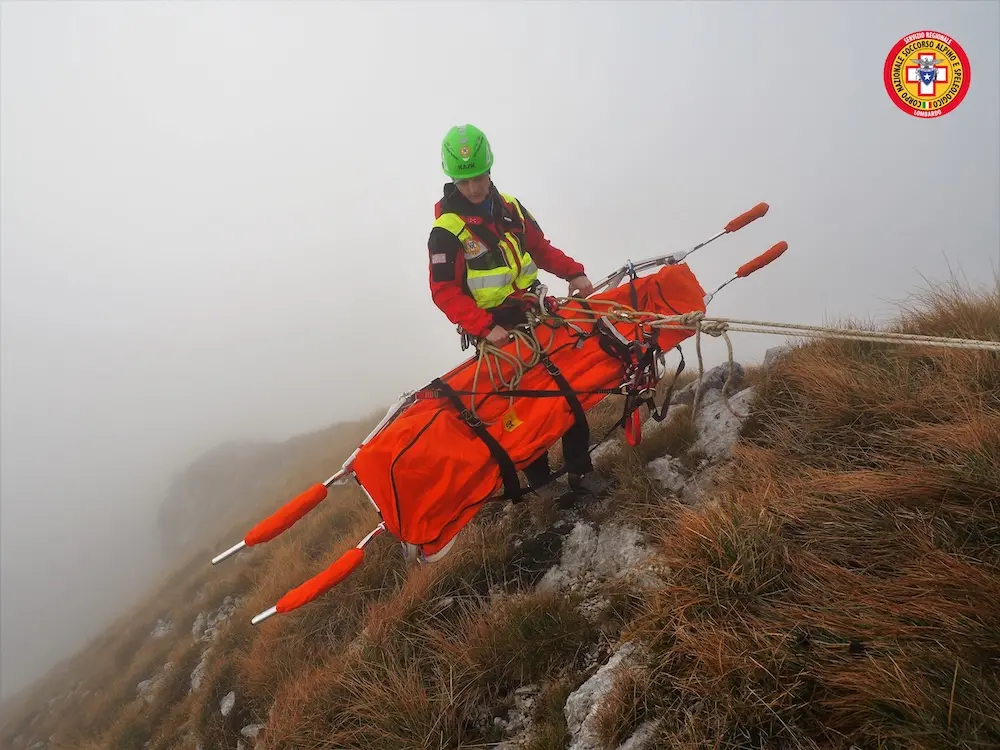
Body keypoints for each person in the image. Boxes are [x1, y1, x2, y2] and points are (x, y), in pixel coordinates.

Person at [426, 123, 614, 499]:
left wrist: (574, 272)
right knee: (525, 407)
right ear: (451, 179)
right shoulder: (445, 231)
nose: (473, 188)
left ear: (489, 169)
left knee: (568, 387)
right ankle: (543, 484)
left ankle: (581, 471)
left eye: (477, 177)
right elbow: (444, 292)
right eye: (463, 181)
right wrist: (483, 328)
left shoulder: (511, 209)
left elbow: (540, 248)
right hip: (497, 330)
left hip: (536, 311)